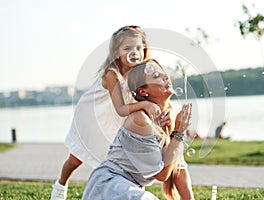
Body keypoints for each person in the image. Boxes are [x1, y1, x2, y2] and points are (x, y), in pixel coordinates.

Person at [50, 26, 166, 200]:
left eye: (138, 48)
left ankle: (115, 187)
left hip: (115, 118)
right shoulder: (112, 74)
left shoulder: (140, 72)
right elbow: (121, 108)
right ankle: (61, 184)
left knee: (113, 156)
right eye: (127, 48)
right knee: (76, 158)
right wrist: (146, 106)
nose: (134, 52)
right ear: (116, 52)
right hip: (94, 115)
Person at [82, 59, 194, 200]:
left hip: (128, 188)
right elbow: (161, 175)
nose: (165, 77)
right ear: (143, 91)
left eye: (163, 73)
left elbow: (178, 166)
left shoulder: (168, 116)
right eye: (156, 76)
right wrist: (178, 132)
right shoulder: (140, 120)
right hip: (108, 186)